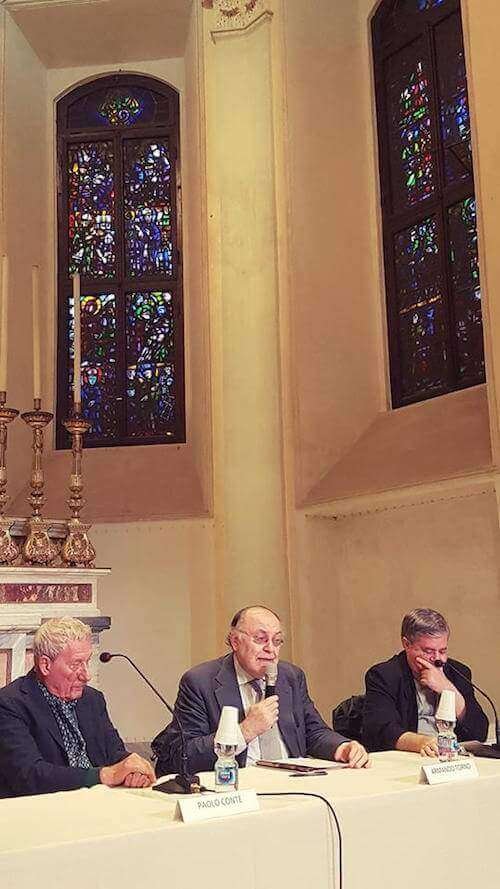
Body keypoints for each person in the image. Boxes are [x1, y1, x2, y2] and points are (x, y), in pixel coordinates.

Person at [153, 605, 369, 774]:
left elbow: (314, 732)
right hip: (237, 788)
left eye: (277, 641)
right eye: (261, 639)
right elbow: (183, 755)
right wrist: (244, 730)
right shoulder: (200, 682)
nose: (270, 650)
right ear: (235, 641)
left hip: (293, 782)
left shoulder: (290, 677)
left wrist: (343, 747)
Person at [0, 617, 156, 797]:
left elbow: (115, 753)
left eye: (87, 662)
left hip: (102, 802)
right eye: (76, 664)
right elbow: (29, 775)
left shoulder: (92, 699)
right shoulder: (10, 704)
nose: (87, 675)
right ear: (45, 665)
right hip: (44, 811)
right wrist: (106, 775)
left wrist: (133, 769)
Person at [363, 608, 488, 755]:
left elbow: (480, 733)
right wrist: (421, 742)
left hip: (451, 759)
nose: (437, 659)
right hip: (408, 757)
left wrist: (447, 688)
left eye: (442, 651)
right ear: (406, 644)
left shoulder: (458, 672)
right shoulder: (384, 676)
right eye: (428, 651)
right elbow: (382, 731)